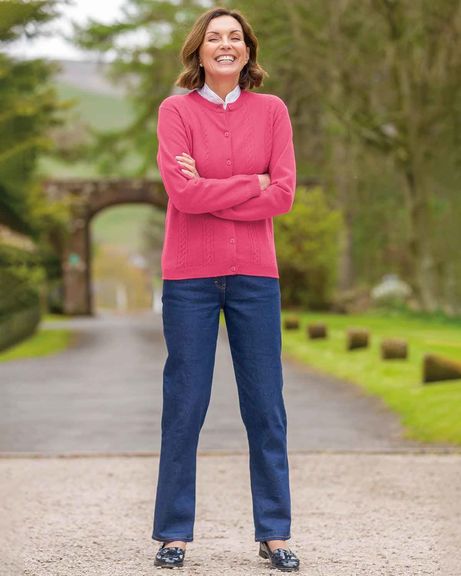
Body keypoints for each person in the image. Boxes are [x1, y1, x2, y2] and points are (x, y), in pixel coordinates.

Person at [151, 6, 299, 572]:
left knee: (265, 405)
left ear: (248, 50)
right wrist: (250, 183)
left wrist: (215, 186)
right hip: (188, 277)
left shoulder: (273, 111)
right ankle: (173, 535)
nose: (225, 45)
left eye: (234, 37)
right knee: (184, 404)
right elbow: (182, 197)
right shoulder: (175, 111)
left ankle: (275, 532)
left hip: (256, 276)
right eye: (215, 37)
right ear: (199, 50)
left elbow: (283, 195)